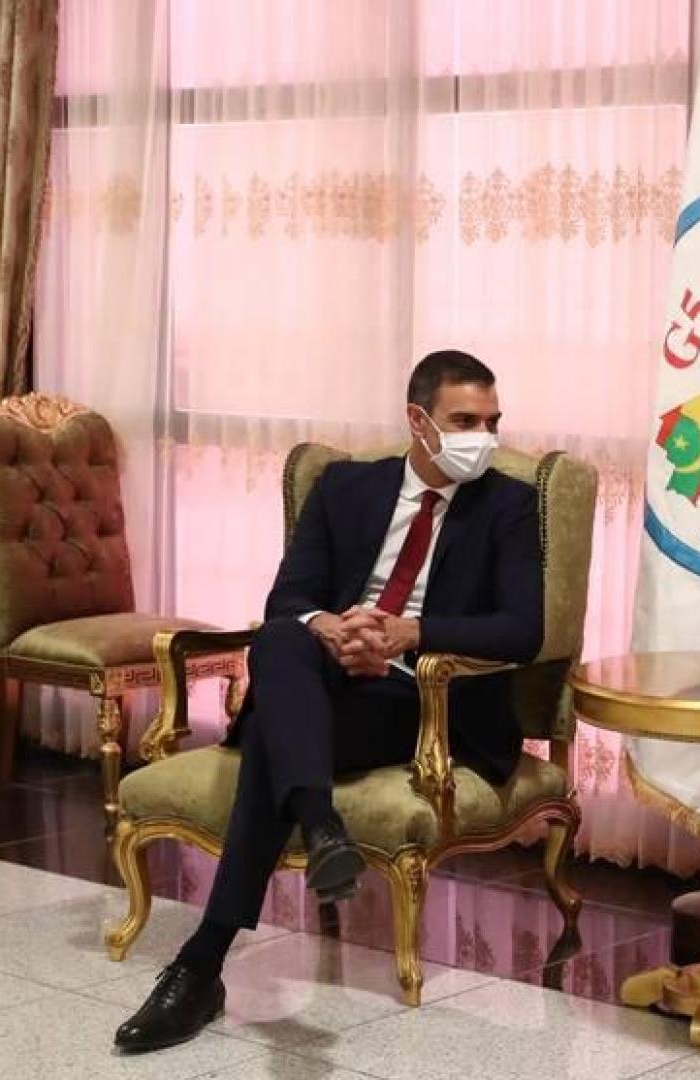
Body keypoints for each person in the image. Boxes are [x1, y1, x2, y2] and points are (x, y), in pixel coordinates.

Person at [114, 350, 544, 1052]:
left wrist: (410, 632)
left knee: (270, 741)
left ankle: (200, 966)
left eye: (492, 420)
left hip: (423, 703)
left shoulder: (509, 504)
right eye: (465, 420)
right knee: (285, 640)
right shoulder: (346, 487)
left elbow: (525, 631)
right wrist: (333, 626)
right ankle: (321, 826)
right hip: (331, 679)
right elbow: (288, 599)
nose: (484, 436)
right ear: (418, 421)